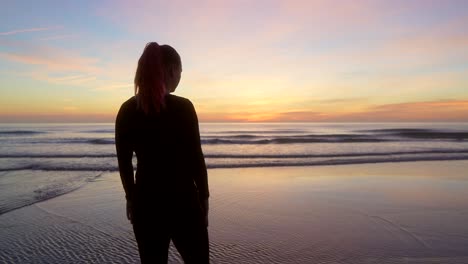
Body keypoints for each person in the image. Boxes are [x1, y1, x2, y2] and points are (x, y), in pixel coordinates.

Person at [115, 42, 210, 263]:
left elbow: (124, 163)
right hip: (183, 201)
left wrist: (131, 197)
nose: (180, 78)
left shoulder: (127, 110)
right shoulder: (183, 107)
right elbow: (196, 158)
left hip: (146, 204)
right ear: (170, 70)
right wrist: (204, 197)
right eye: (180, 72)